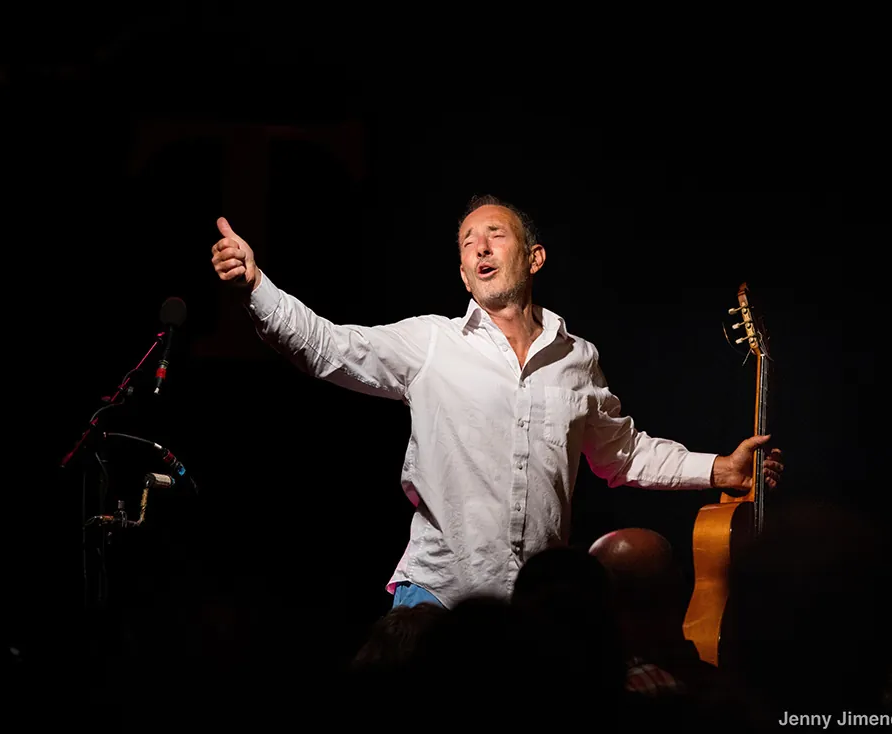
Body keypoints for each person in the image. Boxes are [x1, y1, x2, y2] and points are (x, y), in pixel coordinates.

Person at [209, 195, 783, 610]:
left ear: (534, 258)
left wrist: (719, 468)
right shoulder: (431, 342)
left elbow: (624, 455)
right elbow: (327, 348)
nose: (480, 247)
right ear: (463, 274)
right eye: (468, 243)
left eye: (495, 236)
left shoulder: (576, 359)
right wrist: (256, 288)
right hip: (438, 600)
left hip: (536, 610)